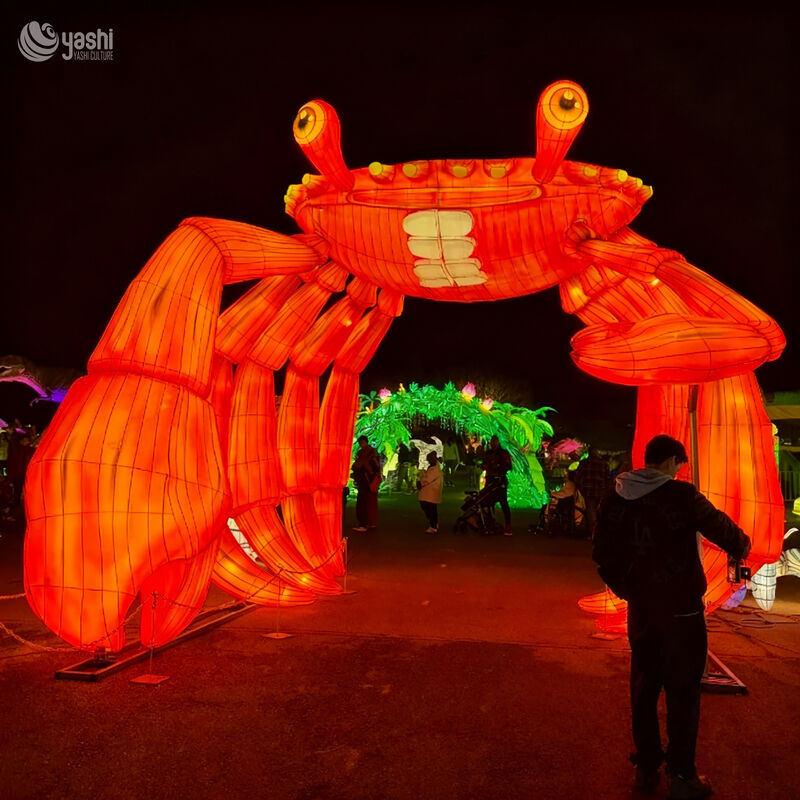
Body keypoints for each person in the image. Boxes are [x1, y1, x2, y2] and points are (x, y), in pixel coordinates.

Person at [593, 434, 750, 798]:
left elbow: (601, 551)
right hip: (683, 610)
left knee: (644, 689)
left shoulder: (615, 495)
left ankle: (647, 768)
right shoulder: (682, 495)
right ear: (669, 462)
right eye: (678, 464)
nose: (679, 471)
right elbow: (722, 529)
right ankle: (682, 775)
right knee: (683, 693)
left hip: (642, 608)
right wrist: (743, 545)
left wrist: (627, 589)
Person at [574, 446, 610, 538]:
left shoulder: (584, 463)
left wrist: (581, 487)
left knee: (591, 511)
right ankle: (599, 531)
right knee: (599, 511)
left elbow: (578, 477)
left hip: (588, 491)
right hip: (600, 490)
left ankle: (593, 532)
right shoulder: (604, 464)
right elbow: (607, 479)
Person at [481, 435, 513, 535]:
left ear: (499, 442)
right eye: (491, 441)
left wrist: (497, 467)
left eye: (494, 441)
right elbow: (483, 465)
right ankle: (490, 523)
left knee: (504, 503)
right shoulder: (488, 453)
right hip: (490, 480)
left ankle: (508, 525)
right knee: (487, 502)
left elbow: (508, 466)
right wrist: (484, 466)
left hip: (500, 481)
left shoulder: (504, 453)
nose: (492, 443)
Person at [350, 435, 381, 532]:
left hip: (365, 480)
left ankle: (363, 524)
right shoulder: (373, 452)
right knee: (369, 502)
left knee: (362, 502)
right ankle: (370, 522)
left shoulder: (364, 453)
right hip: (370, 480)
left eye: (361, 443)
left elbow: (357, 466)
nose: (360, 445)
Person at [417, 450, 443, 534]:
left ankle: (433, 526)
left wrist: (420, 482)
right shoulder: (435, 467)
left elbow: (427, 479)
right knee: (432, 509)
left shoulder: (434, 468)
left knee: (428, 508)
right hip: (431, 492)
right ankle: (434, 524)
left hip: (430, 492)